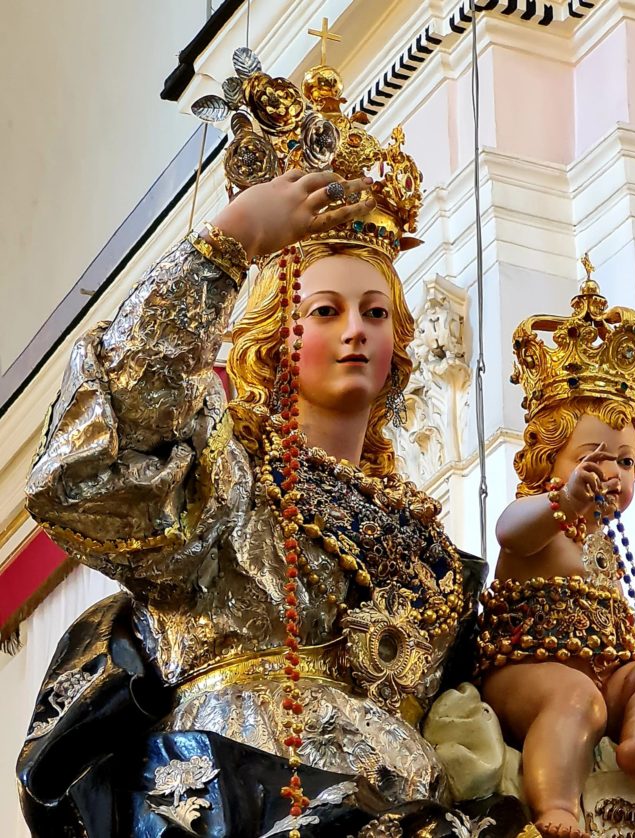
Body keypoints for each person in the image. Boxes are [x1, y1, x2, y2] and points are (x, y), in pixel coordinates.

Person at [17, 55, 523, 838]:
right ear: (276, 337)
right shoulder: (226, 480)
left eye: (376, 313)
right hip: (243, 781)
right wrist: (225, 248)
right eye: (325, 310)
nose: (356, 330)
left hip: (406, 799)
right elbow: (94, 461)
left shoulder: (429, 551)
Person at [476, 267, 635, 838]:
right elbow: (511, 533)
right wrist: (562, 501)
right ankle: (556, 804)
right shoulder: (540, 516)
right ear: (547, 460)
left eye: (626, 462)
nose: (612, 473)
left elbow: (609, 626)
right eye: (594, 457)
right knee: (577, 699)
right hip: (526, 670)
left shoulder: (605, 545)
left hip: (605, 668)